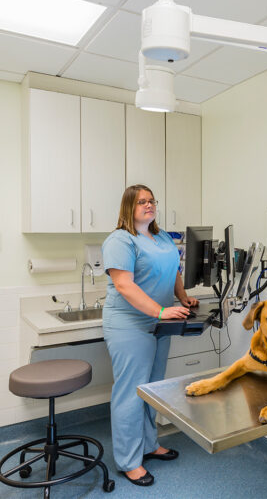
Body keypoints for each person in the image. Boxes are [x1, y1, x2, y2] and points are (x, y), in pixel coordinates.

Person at [101, 184, 199, 486]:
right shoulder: (120, 240)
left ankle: (148, 445)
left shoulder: (161, 237)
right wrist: (160, 311)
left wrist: (181, 297)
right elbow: (125, 285)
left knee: (151, 390)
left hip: (159, 322)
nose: (149, 205)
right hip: (130, 324)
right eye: (142, 201)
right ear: (128, 207)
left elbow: (175, 271)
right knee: (131, 393)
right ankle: (129, 461)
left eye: (152, 201)